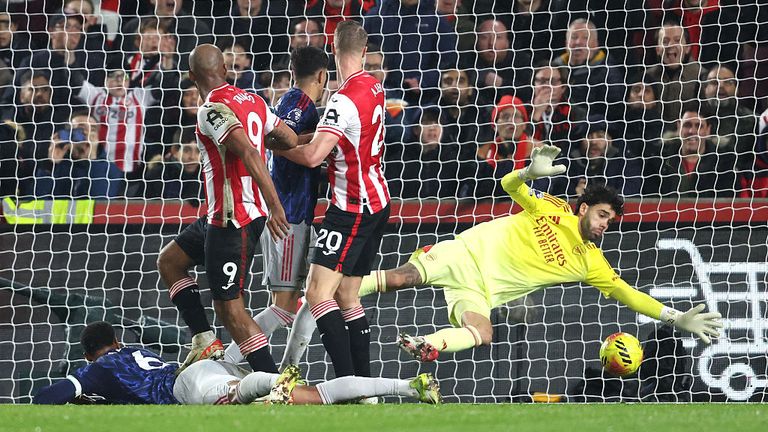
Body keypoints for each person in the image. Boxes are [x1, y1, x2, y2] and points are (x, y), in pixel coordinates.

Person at [358, 144, 723, 362]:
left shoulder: (590, 262)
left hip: (481, 291)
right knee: (403, 278)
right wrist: (527, 173)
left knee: (482, 333)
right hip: (464, 254)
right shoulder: (552, 207)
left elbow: (628, 294)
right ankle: (326, 294)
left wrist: (675, 318)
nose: (604, 225)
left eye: (609, 222)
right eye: (601, 215)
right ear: (583, 208)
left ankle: (427, 344)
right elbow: (508, 186)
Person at [155, 44, 297, 375]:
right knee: (170, 261)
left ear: (191, 77)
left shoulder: (211, 109)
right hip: (219, 216)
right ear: (226, 69)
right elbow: (288, 139)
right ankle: (204, 339)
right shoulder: (255, 101)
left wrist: (277, 207)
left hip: (235, 219)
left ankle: (276, 386)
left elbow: (248, 153)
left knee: (231, 310)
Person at [277, 21, 390, 378]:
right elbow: (338, 132)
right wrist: (302, 138)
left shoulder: (342, 99)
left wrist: (276, 146)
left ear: (334, 48)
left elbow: (312, 158)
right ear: (365, 49)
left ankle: (346, 382)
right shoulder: (373, 86)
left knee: (316, 293)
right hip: (378, 201)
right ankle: (364, 388)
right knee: (347, 297)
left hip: (351, 208)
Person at [33, 321, 441, 405]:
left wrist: (67, 395)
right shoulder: (141, 352)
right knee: (311, 394)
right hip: (197, 369)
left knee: (294, 393)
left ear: (90, 353)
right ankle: (408, 387)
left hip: (186, 391)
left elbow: (54, 393)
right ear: (118, 341)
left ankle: (270, 382)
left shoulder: (96, 369)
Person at [223, 46, 328, 370]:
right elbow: (277, 142)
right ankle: (229, 360)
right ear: (323, 76)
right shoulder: (298, 103)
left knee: (312, 299)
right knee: (283, 307)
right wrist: (323, 138)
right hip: (288, 215)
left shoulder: (299, 103)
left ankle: (287, 370)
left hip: (296, 214)